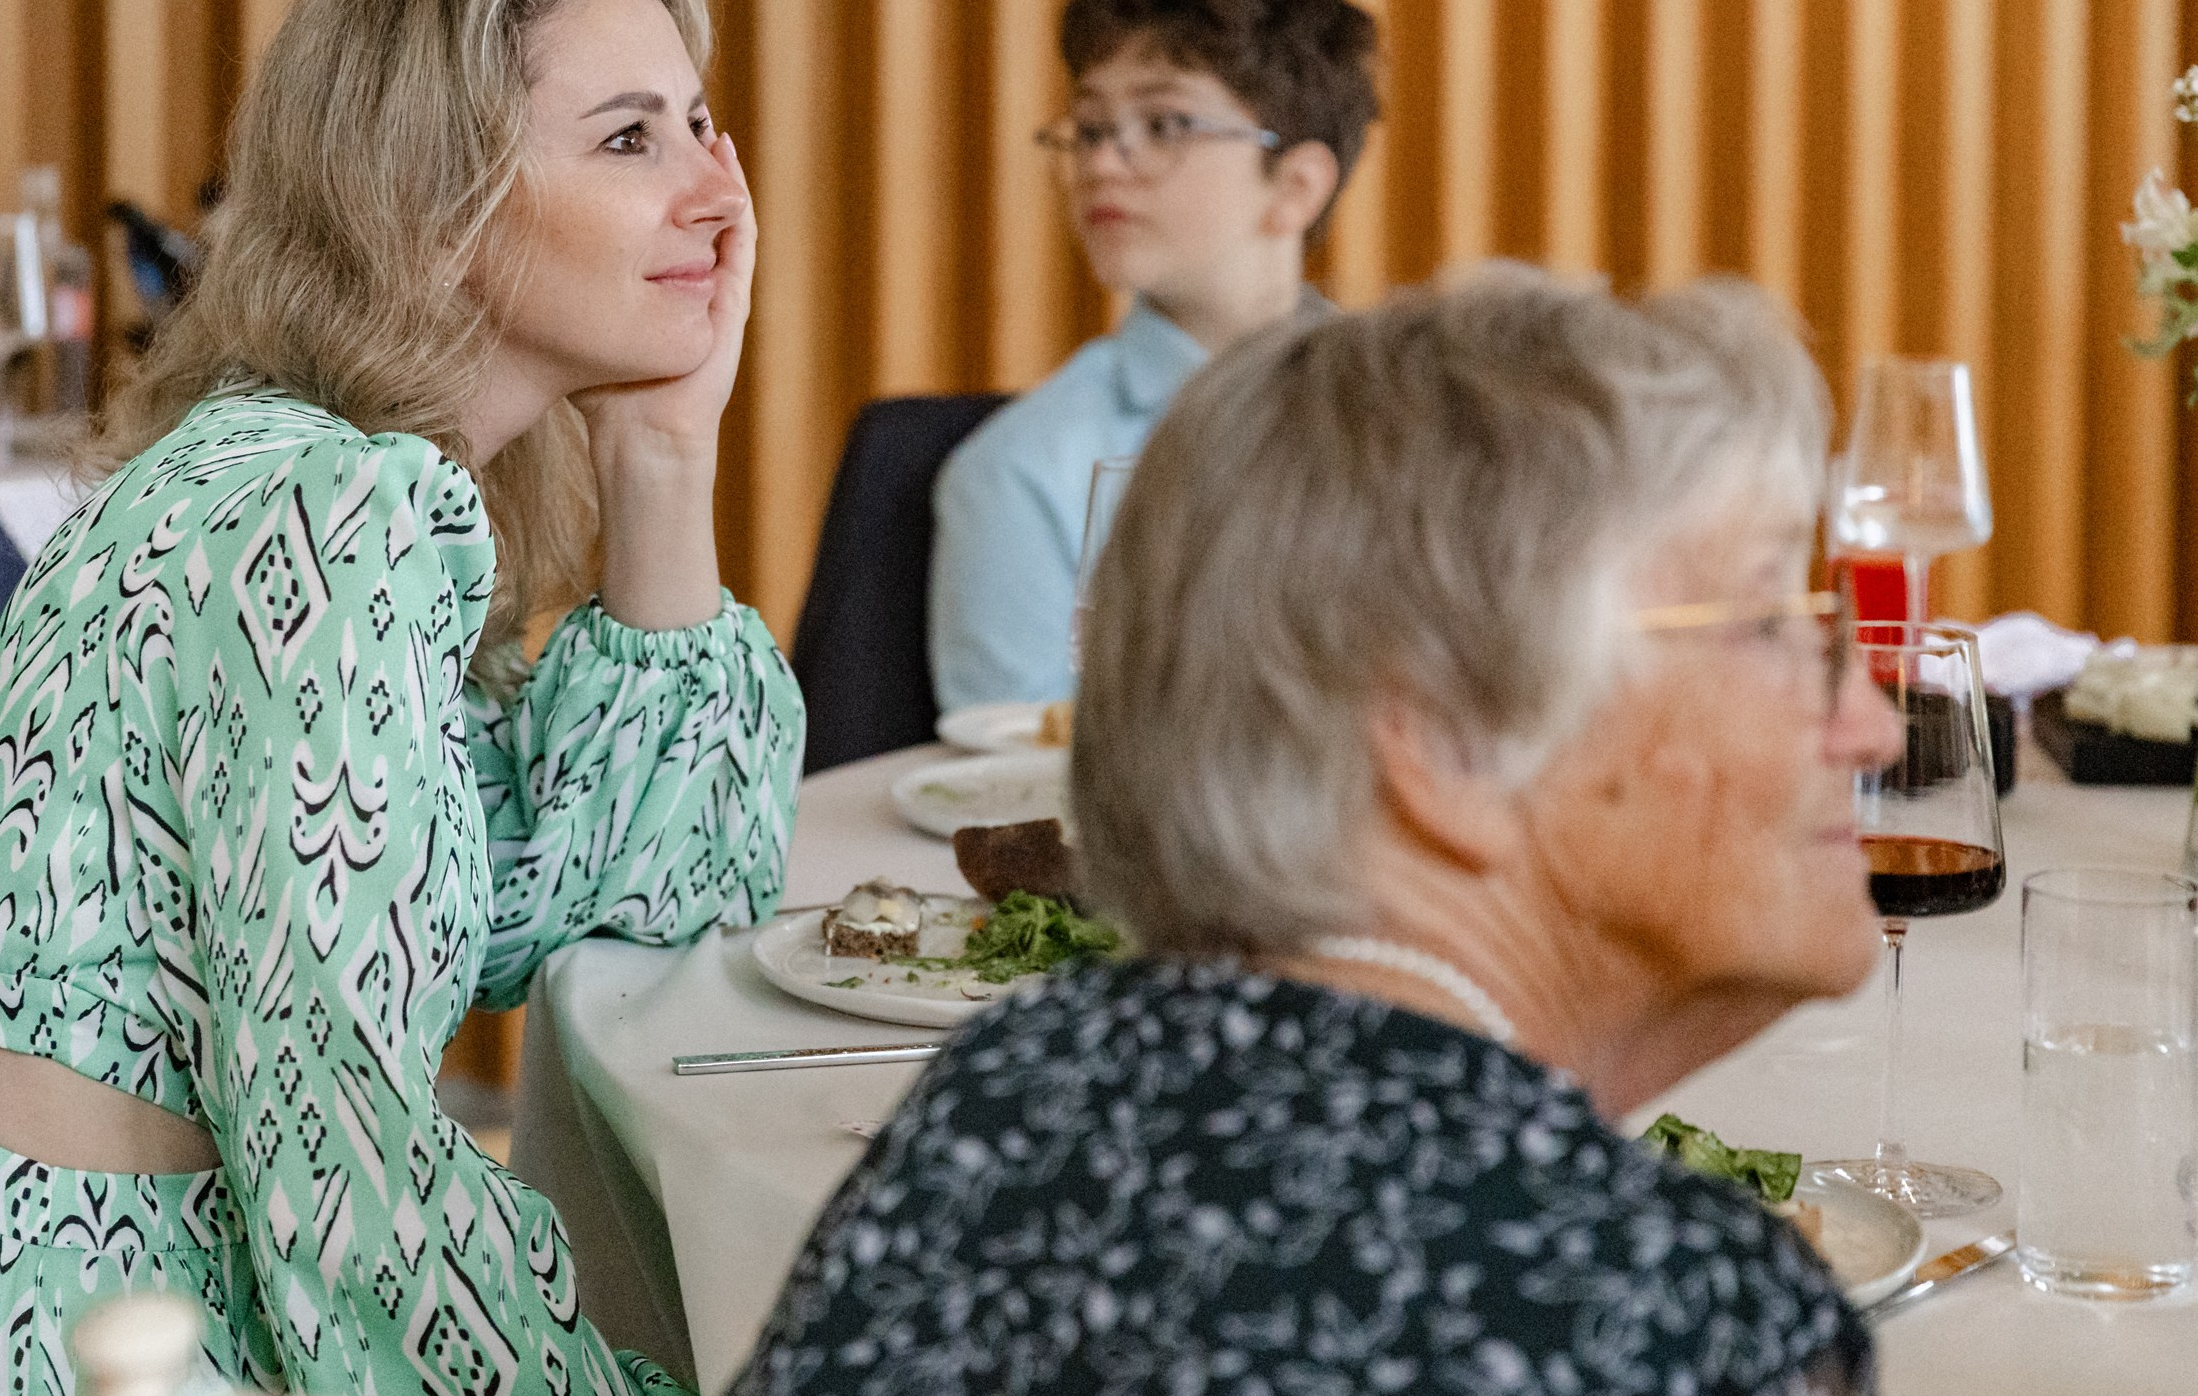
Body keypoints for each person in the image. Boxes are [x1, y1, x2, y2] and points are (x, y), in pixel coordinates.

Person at [0, 0, 802, 1394]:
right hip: (85, 1339)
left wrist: (663, 452)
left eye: (707, 124)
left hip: (90, 1301)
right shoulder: (323, 513)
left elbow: (645, 889)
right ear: (434, 196)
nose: (722, 196)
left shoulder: (305, 479)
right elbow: (344, 1158)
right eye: (630, 138)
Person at [745, 269, 1902, 1396]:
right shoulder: (1665, 1310)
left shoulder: (1014, 1079)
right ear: (1450, 741)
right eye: (1768, 624)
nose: (1873, 723)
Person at [927, 0, 1378, 711]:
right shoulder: (1022, 471)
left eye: (1165, 124)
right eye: (1093, 127)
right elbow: (1017, 781)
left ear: (1296, 186)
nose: (1103, 161)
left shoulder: (1414, 420)